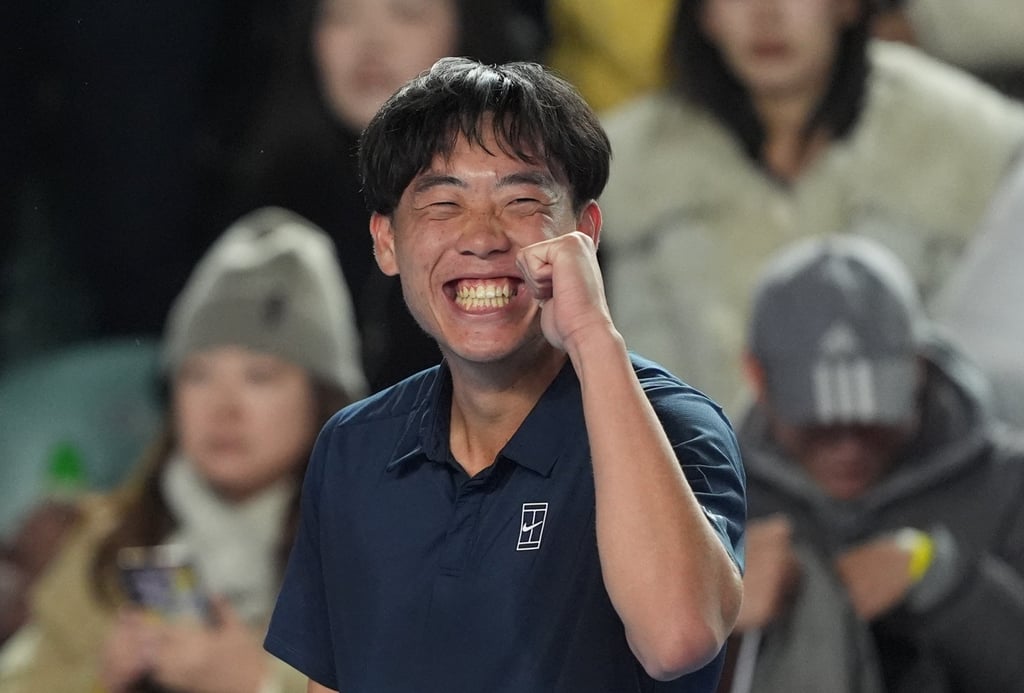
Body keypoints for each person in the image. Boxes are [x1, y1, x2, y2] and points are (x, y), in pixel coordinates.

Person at [263, 57, 746, 692]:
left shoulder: (675, 427)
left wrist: (592, 333)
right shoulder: (354, 448)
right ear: (386, 243)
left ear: (585, 232)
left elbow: (678, 640)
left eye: (521, 200)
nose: (483, 238)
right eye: (443, 204)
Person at [0, 207, 367, 693]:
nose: (224, 407)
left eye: (260, 376)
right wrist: (101, 680)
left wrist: (257, 684)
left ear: (322, 401)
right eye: (197, 375)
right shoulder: (109, 545)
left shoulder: (374, 555)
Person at [597, 0, 1024, 417]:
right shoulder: (621, 168)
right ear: (704, 13)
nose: (766, 14)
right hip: (697, 474)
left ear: (849, 6)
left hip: (930, 472)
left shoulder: (972, 142)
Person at [726, 235, 1024, 692]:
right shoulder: (706, 496)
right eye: (818, 425)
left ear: (917, 369)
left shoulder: (1008, 485)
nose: (848, 447)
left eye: (873, 421)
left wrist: (943, 578)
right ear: (758, 379)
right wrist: (709, 608)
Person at [212, 0, 543, 392]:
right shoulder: (258, 221)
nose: (371, 44)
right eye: (341, 15)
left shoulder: (538, 206)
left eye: (407, 13)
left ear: (469, 29)